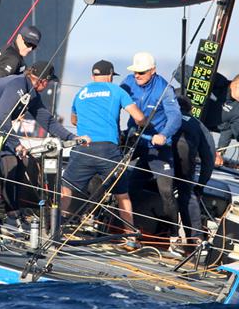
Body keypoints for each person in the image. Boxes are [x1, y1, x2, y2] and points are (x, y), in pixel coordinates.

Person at [0, 61, 89, 231]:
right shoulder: (18, 84)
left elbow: (46, 120)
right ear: (42, 81)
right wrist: (16, 144)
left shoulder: (31, 93)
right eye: (49, 81)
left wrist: (72, 137)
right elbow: (1, 117)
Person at [61, 60, 145, 246]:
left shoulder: (81, 92)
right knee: (122, 194)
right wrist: (146, 123)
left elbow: (73, 120)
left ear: (93, 76)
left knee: (66, 189)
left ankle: (54, 229)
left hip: (83, 148)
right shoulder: (116, 91)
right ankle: (130, 237)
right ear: (110, 75)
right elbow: (138, 118)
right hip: (108, 150)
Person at [120, 52, 183, 257]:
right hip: (135, 139)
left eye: (141, 72)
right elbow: (116, 102)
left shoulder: (165, 89)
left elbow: (175, 117)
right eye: (135, 72)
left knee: (166, 190)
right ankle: (119, 227)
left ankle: (175, 237)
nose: (137, 75)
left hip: (157, 144)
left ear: (152, 71)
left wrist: (164, 135)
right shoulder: (128, 82)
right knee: (119, 181)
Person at [173, 94, 215, 243]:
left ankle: (167, 234)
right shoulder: (199, 126)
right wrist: (200, 186)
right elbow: (209, 159)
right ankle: (196, 238)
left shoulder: (164, 116)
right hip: (185, 162)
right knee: (187, 195)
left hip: (161, 160)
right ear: (190, 110)